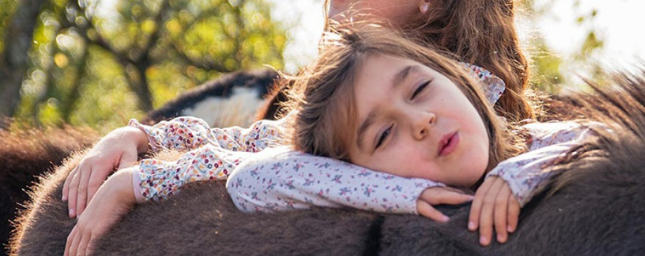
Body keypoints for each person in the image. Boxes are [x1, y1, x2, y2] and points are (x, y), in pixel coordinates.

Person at [63, 22, 594, 256]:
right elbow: (255, 161)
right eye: (384, 133)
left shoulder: (529, 140)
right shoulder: (329, 133)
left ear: (458, 75)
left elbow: (599, 136)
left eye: (422, 89)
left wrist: (514, 173)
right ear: (351, 172)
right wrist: (141, 149)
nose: (421, 121)